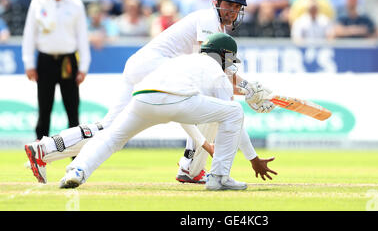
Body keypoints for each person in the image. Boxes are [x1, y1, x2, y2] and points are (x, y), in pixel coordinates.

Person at [24, 0, 274, 185]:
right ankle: (191, 167)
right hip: (155, 68)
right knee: (212, 105)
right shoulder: (209, 21)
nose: (232, 11)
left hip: (142, 65)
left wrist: (246, 87)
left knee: (109, 128)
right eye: (229, 5)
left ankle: (44, 148)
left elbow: (215, 74)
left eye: (237, 7)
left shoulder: (216, 26)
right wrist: (248, 89)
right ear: (216, 2)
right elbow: (212, 74)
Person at [59, 33, 278, 190]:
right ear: (222, 55)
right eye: (230, 58)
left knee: (112, 138)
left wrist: (202, 142)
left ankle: (77, 171)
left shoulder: (184, 61)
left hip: (143, 97)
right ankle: (219, 177)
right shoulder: (215, 71)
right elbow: (232, 118)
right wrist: (253, 158)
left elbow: (178, 110)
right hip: (177, 102)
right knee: (233, 112)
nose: (230, 64)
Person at [22, 0, 91, 156]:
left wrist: (84, 66)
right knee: (44, 108)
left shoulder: (75, 4)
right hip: (45, 59)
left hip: (68, 61)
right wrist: (29, 63)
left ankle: (76, 157)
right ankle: (39, 153)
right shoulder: (38, 0)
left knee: (72, 109)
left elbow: (82, 37)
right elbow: (29, 33)